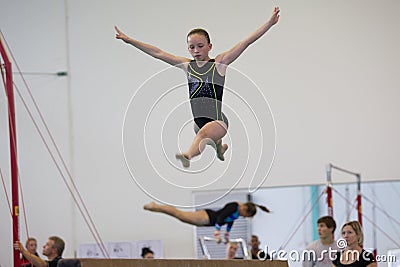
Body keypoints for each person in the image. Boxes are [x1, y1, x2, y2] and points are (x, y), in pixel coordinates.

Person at [115, 7, 280, 168]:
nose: (196, 51)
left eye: (200, 46)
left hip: (218, 121)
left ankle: (188, 155)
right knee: (202, 131)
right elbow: (158, 53)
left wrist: (269, 23)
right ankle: (220, 148)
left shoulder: (219, 64)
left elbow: (246, 42)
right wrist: (129, 41)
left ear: (210, 46)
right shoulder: (187, 66)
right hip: (198, 121)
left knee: (202, 135)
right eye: (192, 47)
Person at [144, 201, 270, 243]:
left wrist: (226, 235)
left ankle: (158, 208)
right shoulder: (233, 207)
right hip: (208, 216)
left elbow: (229, 222)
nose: (243, 217)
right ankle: (157, 206)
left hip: (207, 221)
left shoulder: (236, 213)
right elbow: (221, 218)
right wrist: (217, 234)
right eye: (245, 215)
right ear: (245, 209)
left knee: (180, 217)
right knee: (180, 215)